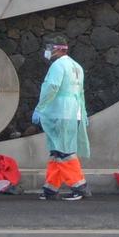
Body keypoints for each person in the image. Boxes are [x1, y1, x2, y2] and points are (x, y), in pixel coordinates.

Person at [34, 40, 91, 201]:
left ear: (56, 50)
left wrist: (40, 107)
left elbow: (52, 87)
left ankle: (79, 186)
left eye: (49, 49)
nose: (47, 52)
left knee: (64, 152)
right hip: (74, 112)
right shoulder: (76, 66)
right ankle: (50, 189)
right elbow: (81, 93)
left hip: (60, 112)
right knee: (56, 152)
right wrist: (84, 113)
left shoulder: (58, 66)